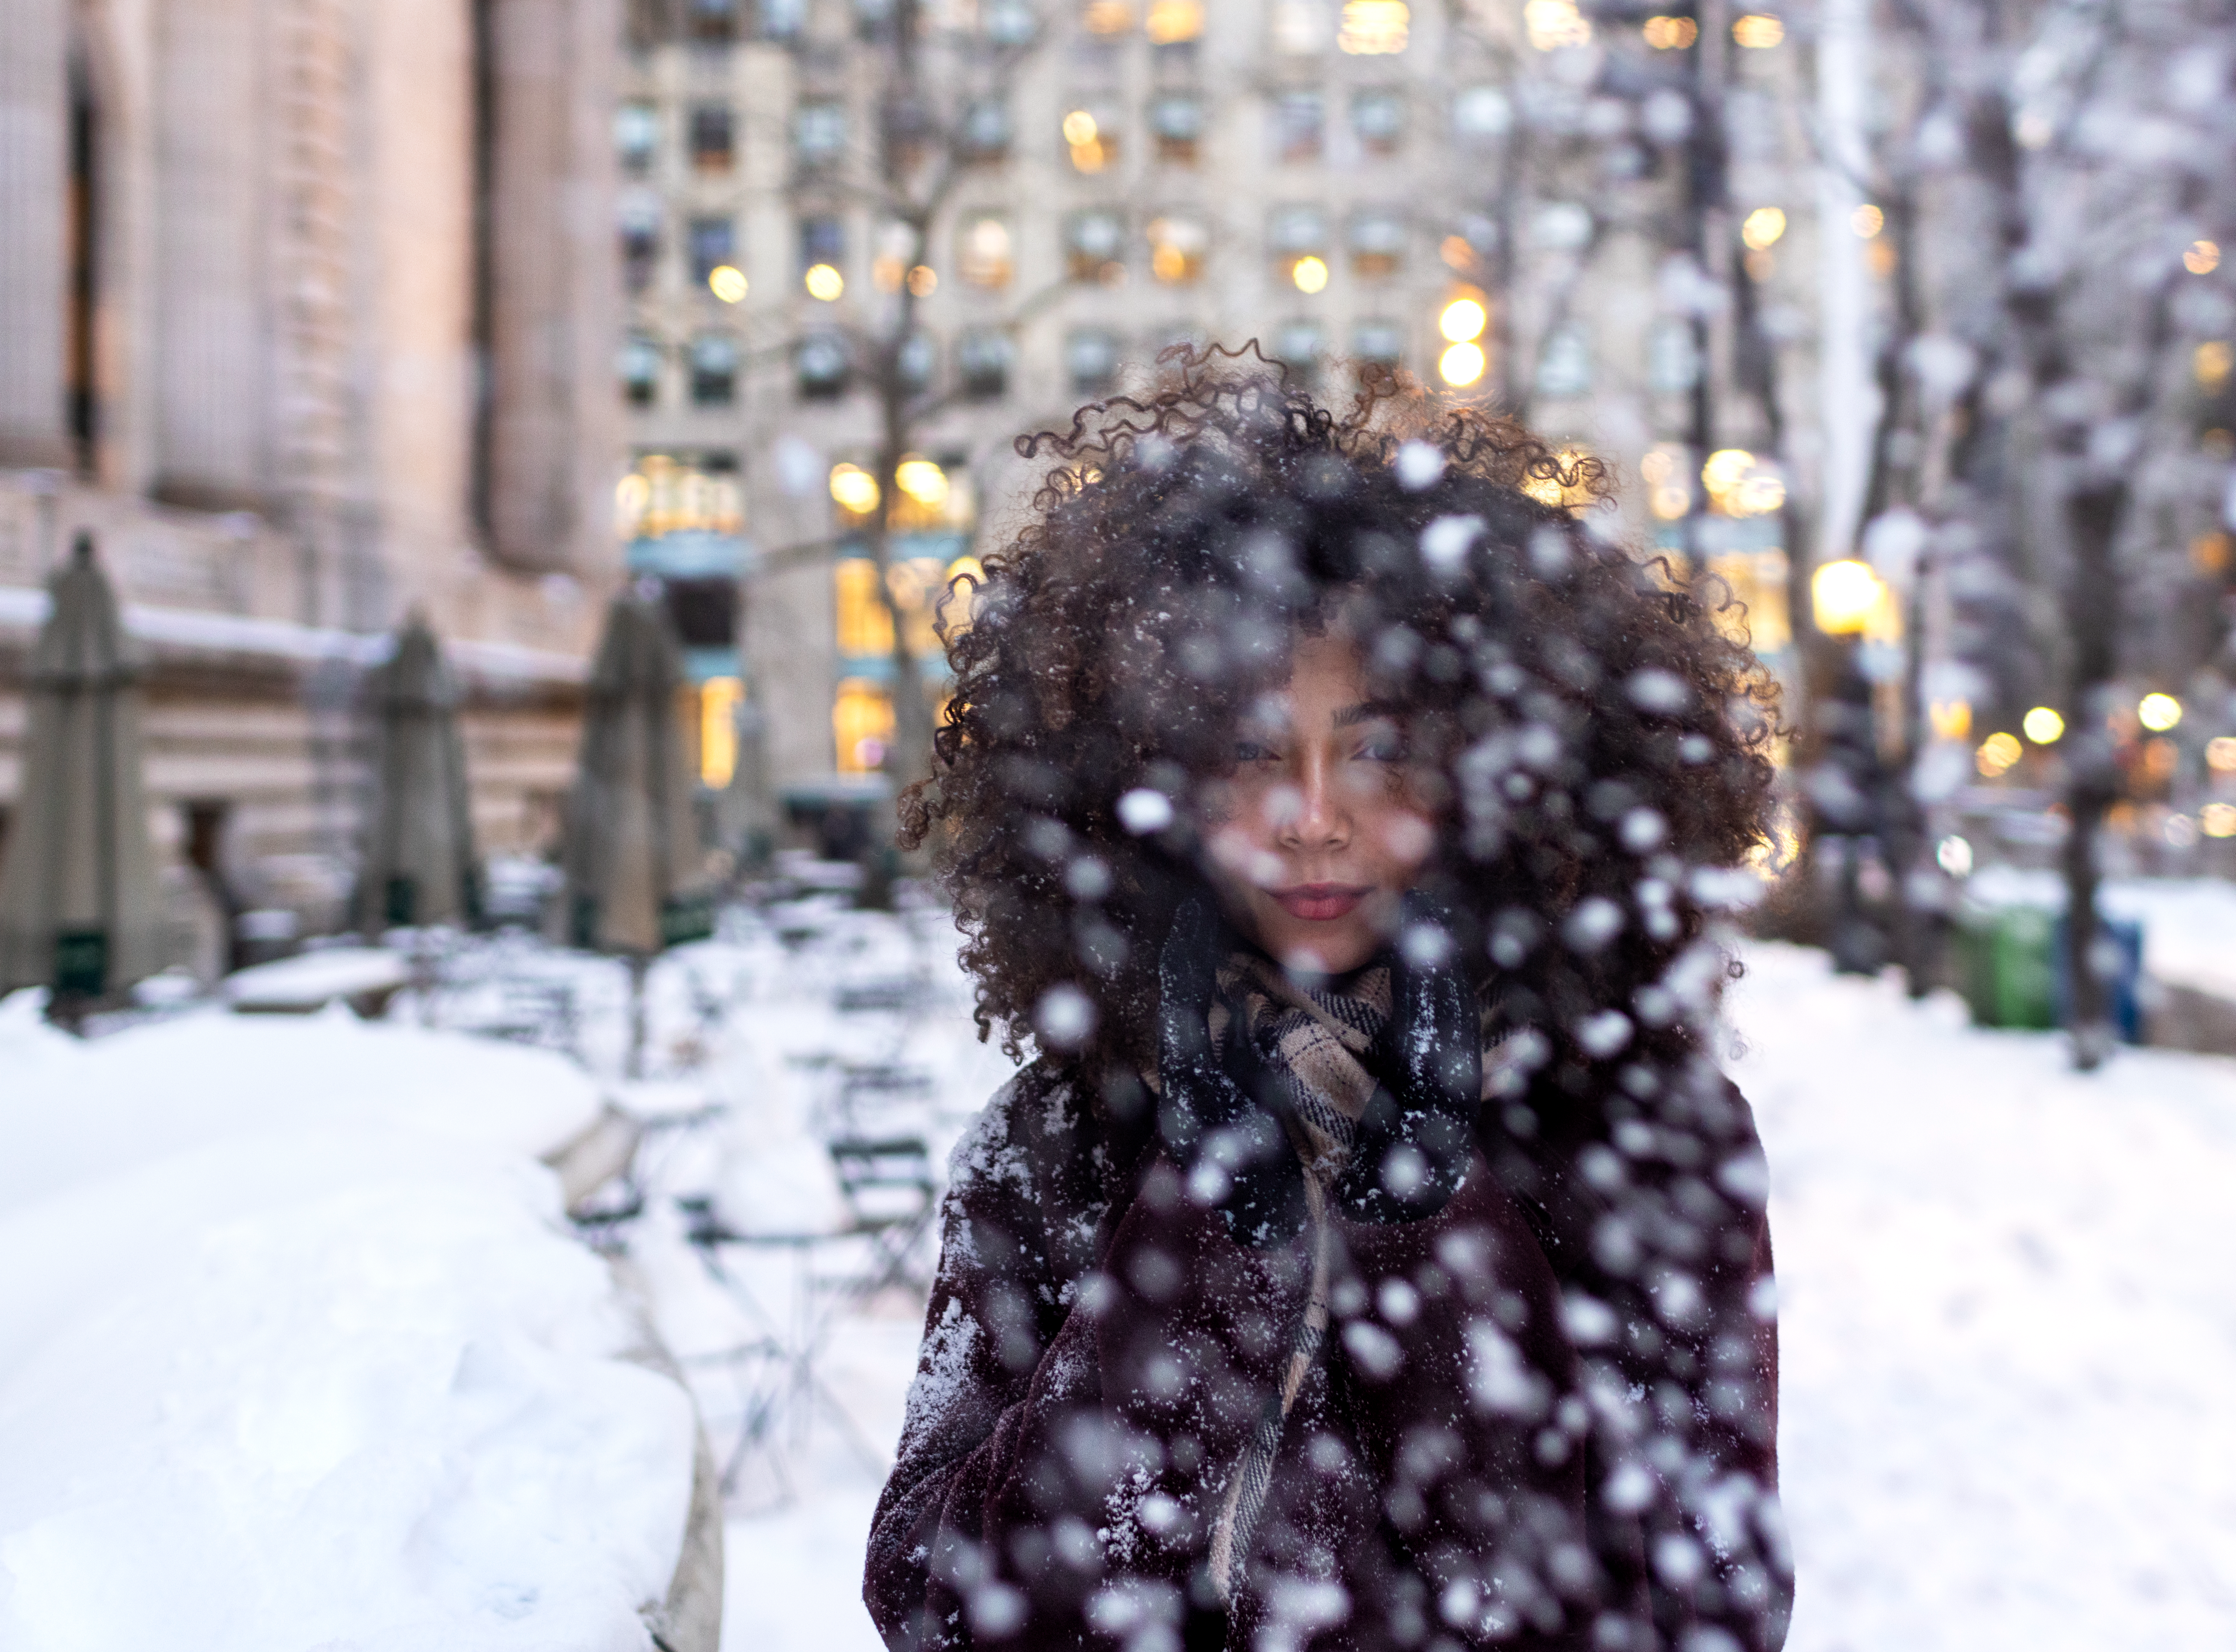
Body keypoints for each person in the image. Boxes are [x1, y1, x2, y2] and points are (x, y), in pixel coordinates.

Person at [865, 351, 1791, 1652]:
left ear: (1500, 778)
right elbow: (941, 1607)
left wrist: (1429, 1242)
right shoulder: (1057, 1139)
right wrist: (1199, 1247)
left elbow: (1699, 1615)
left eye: (1380, 751)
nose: (1310, 817)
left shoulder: (1645, 1142)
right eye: (1248, 750)